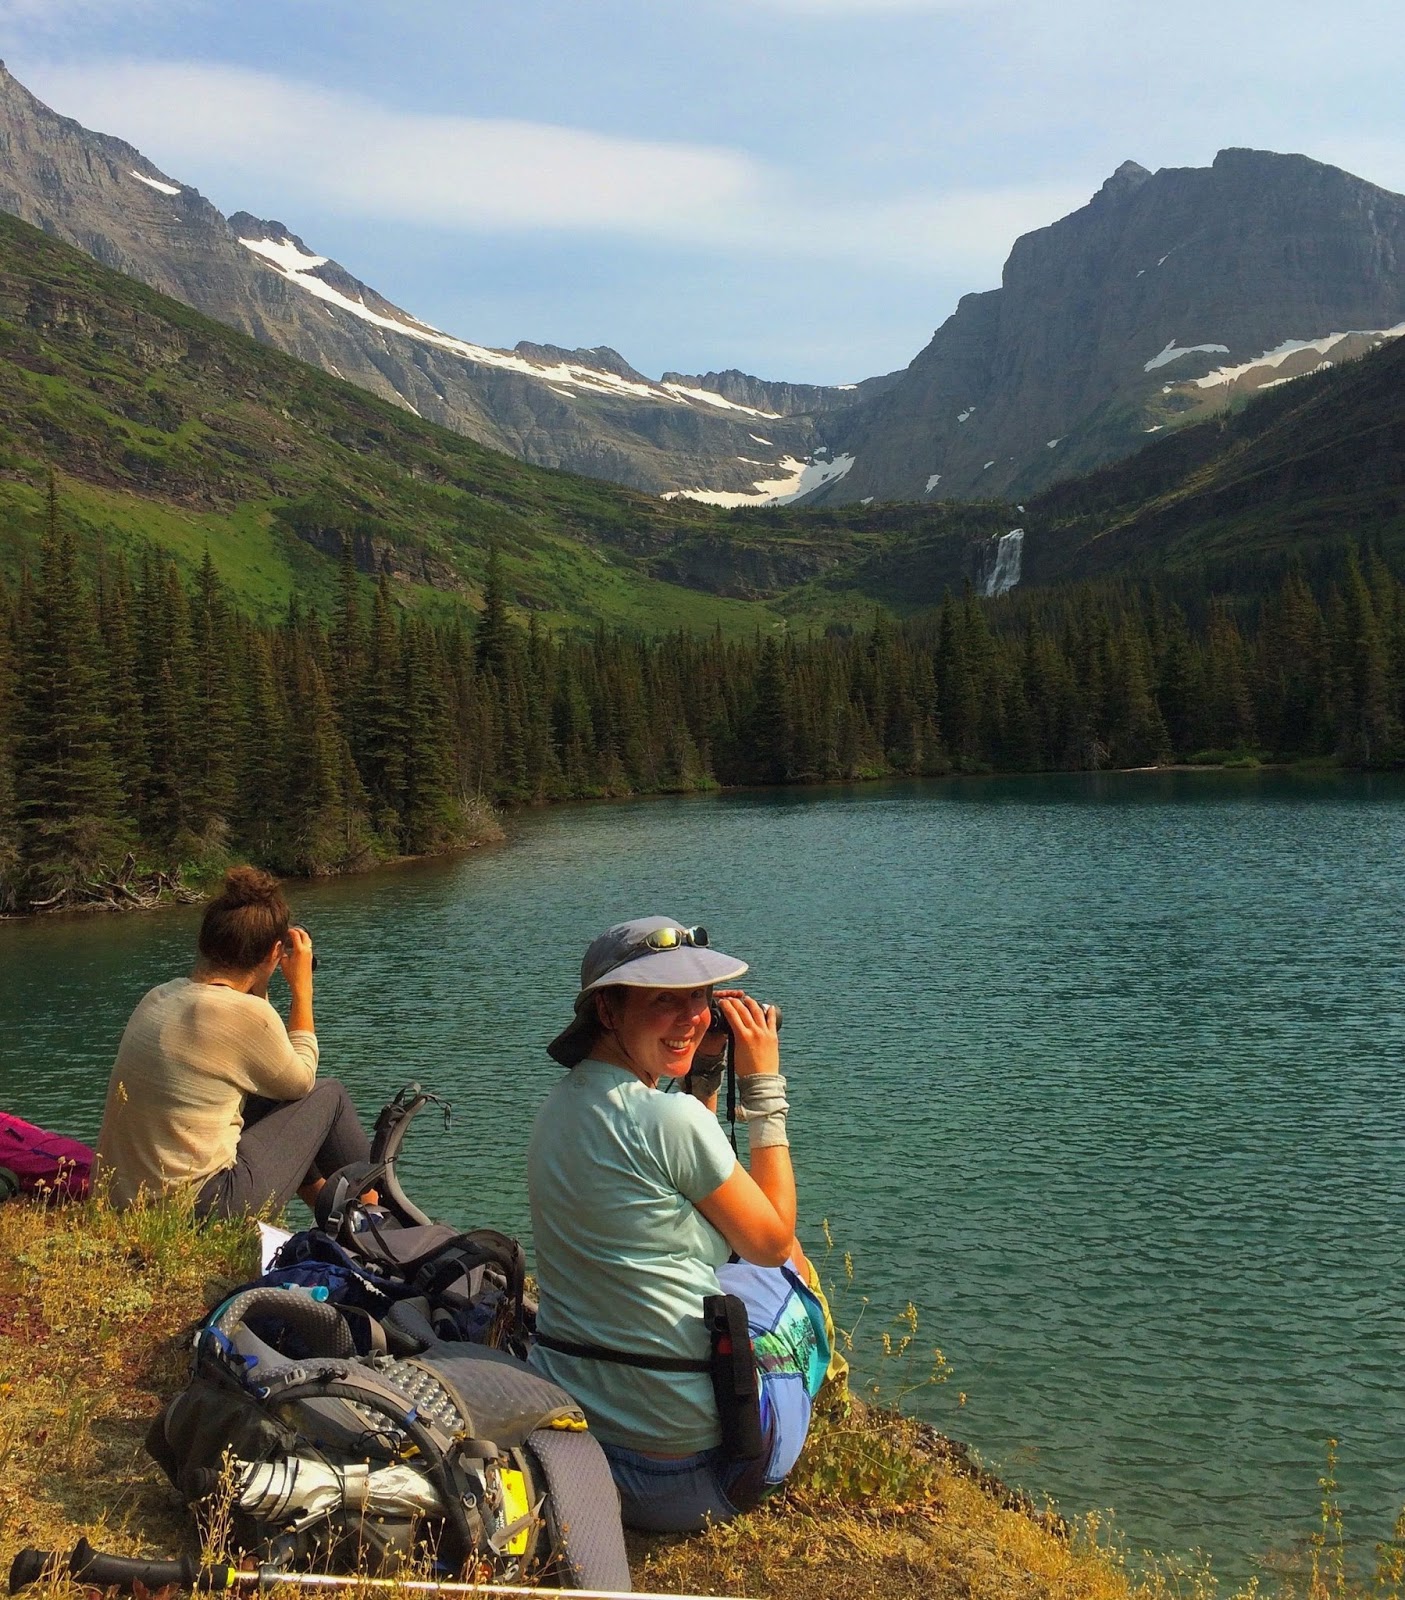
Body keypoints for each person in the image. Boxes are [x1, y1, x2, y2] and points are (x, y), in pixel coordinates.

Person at [527, 915, 833, 1533]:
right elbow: (770, 1241)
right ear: (609, 1012)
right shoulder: (667, 1121)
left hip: (591, 1442)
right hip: (692, 1473)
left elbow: (677, 1175)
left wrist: (705, 1072)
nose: (692, 1016)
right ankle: (819, 1403)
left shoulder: (558, 1108)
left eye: (700, 999)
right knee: (792, 1259)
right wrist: (763, 1084)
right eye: (664, 1001)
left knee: (730, 1255)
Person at [96, 865, 371, 1219]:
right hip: (201, 1207)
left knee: (262, 1099)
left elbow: (265, 1063)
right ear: (275, 952)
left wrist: (259, 982)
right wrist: (302, 989)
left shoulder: (159, 996)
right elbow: (302, 1079)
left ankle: (342, 1217)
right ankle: (384, 1216)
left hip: (121, 1204)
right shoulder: (245, 1016)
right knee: (329, 1095)